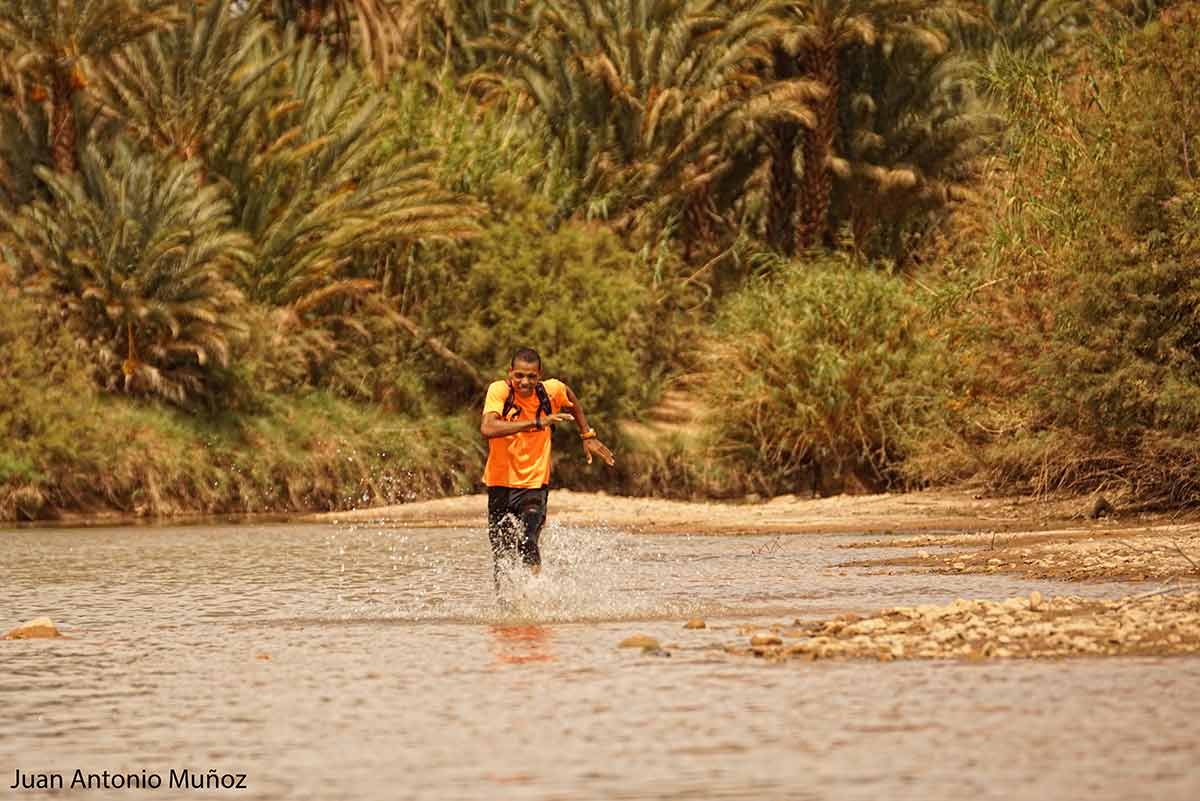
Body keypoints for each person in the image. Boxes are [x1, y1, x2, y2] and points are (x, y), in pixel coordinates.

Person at [480, 347, 615, 588]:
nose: (525, 382)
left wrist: (587, 434)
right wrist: (537, 422)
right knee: (502, 554)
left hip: (534, 484)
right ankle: (505, 613)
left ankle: (535, 597)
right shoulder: (499, 391)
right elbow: (488, 428)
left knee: (529, 540)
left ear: (539, 374)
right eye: (519, 375)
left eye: (531, 376)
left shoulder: (551, 391)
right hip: (499, 483)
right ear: (510, 373)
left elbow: (572, 401)